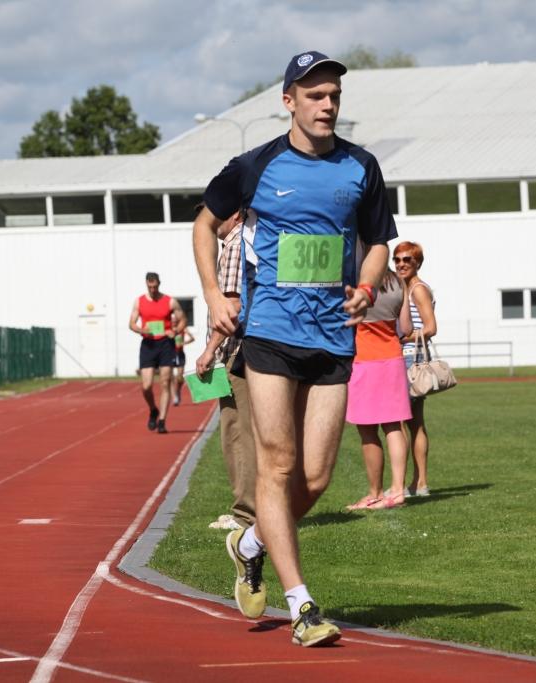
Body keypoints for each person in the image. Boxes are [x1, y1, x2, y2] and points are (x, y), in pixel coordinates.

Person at [192, 50, 397, 648]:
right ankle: (302, 606)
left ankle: (250, 543)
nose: (327, 104)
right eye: (315, 95)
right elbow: (205, 224)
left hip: (334, 337)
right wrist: (213, 296)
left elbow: (379, 240)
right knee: (277, 465)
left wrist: (363, 285)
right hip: (271, 332)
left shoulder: (361, 167)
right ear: (289, 101)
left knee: (317, 475)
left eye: (333, 95)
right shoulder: (255, 166)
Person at [195, 208, 257, 532]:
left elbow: (232, 307)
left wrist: (210, 349)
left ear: (233, 215)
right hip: (246, 350)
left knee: (237, 434)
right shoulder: (242, 243)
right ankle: (255, 510)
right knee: (246, 432)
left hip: (237, 352)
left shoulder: (234, 247)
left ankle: (246, 514)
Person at [345, 266, 413, 511]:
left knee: (368, 431)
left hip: (363, 359)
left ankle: (375, 492)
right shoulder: (399, 283)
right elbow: (405, 328)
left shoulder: (356, 281)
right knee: (394, 426)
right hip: (392, 358)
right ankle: (397, 490)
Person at [395, 241, 437, 497]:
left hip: (411, 358)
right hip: (409, 356)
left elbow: (431, 327)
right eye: (397, 259)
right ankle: (418, 483)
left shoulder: (418, 290)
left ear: (417, 262)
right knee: (414, 422)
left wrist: (402, 338)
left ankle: (410, 483)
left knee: (401, 422)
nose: (401, 264)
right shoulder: (406, 288)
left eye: (407, 259)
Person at [129, 272, 186, 434]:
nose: (153, 289)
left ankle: (162, 420)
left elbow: (183, 320)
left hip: (165, 344)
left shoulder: (170, 301)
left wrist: (174, 331)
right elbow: (131, 323)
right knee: (146, 386)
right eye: (150, 287)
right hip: (148, 344)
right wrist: (141, 329)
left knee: (165, 382)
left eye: (155, 286)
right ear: (147, 285)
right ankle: (153, 409)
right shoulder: (139, 302)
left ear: (159, 284)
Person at [171, 327, 196, 406]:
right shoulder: (168, 327)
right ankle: (174, 396)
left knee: (180, 378)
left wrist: (184, 343)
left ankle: (178, 391)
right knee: (170, 376)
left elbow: (192, 338)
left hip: (180, 354)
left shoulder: (183, 329)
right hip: (170, 354)